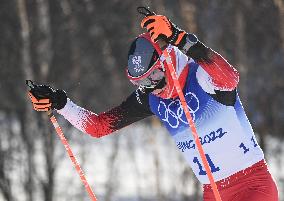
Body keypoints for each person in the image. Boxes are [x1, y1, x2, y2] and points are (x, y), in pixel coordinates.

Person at [27, 12, 279, 201]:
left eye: (154, 77)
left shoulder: (201, 77)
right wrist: (61, 103)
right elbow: (98, 127)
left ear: (168, 60)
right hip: (212, 193)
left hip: (253, 185)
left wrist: (182, 40)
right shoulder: (151, 98)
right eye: (141, 82)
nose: (152, 87)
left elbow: (230, 78)